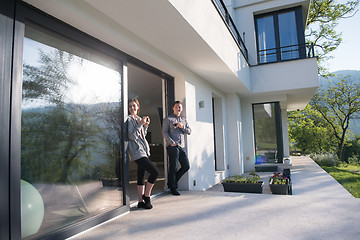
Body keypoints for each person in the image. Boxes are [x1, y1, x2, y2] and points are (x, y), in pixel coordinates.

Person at [127, 98, 159, 209]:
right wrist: (140, 124)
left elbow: (142, 136)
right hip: (137, 152)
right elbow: (131, 136)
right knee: (155, 172)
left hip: (144, 150)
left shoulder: (139, 119)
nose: (132, 108)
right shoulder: (129, 120)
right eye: (130, 106)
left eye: (134, 105)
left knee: (141, 175)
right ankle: (147, 196)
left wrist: (145, 126)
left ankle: (140, 202)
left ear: (138, 107)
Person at [162, 101, 191, 196]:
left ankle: (171, 183)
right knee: (173, 167)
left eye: (179, 107)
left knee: (186, 166)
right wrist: (171, 142)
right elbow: (164, 132)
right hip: (173, 146)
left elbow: (189, 131)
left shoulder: (183, 120)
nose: (178, 109)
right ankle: (173, 188)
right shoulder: (168, 119)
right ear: (173, 108)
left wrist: (182, 127)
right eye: (176, 107)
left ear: (181, 109)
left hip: (181, 146)